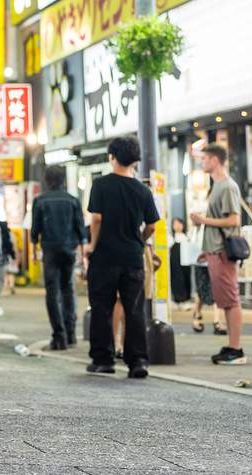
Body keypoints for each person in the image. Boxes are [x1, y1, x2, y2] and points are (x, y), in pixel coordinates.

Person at [83, 136, 159, 379]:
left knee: (102, 308)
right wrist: (140, 240)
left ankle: (103, 359)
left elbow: (96, 219)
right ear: (135, 160)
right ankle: (138, 361)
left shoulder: (101, 185)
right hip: (133, 258)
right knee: (134, 310)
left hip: (104, 256)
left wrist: (92, 245)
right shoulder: (143, 190)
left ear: (112, 157)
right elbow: (152, 225)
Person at [190, 143, 246, 365]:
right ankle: (232, 346)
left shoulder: (227, 186)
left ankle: (236, 348)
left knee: (230, 299)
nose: (202, 163)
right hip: (215, 250)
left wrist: (203, 220)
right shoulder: (218, 186)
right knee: (225, 300)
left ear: (214, 160)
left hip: (223, 251)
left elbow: (234, 219)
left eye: (204, 159)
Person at [31, 164, 86, 350]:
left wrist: (34, 250)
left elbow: (35, 229)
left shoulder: (40, 201)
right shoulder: (73, 200)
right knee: (68, 289)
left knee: (52, 292)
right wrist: (82, 252)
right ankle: (71, 334)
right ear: (64, 180)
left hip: (50, 250)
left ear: (47, 180)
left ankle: (59, 335)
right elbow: (80, 228)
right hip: (69, 250)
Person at [169, 217, 193, 306]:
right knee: (176, 278)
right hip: (175, 262)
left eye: (179, 224)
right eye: (175, 224)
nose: (178, 226)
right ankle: (177, 299)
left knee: (186, 278)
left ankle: (186, 298)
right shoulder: (171, 237)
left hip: (186, 262)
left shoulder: (187, 237)